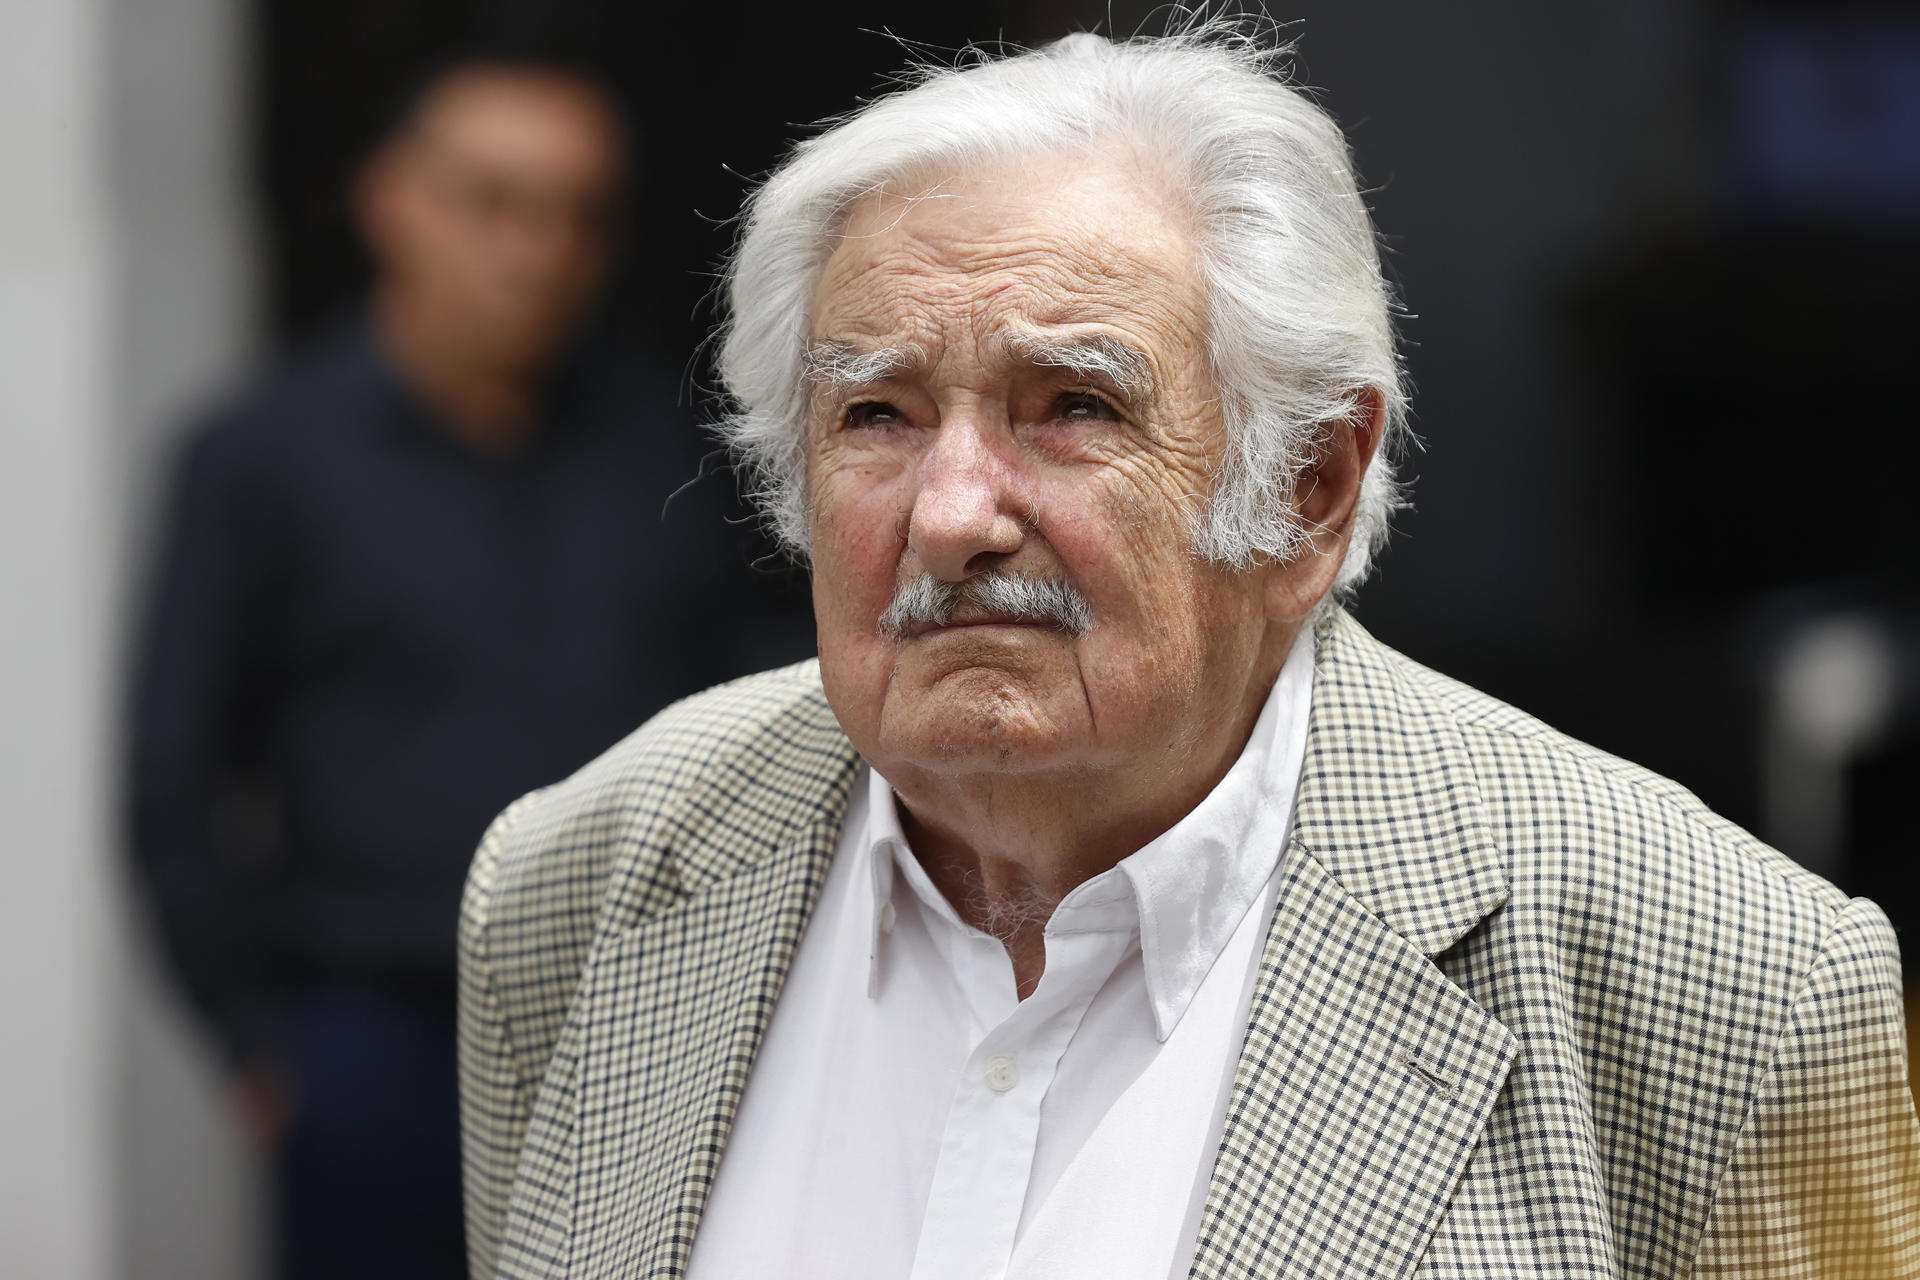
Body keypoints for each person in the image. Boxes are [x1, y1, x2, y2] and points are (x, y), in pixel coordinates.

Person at [455, 25, 1920, 1280]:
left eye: (1073, 407)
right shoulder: (578, 887)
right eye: (877, 414)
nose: (952, 516)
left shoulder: (1728, 985)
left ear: (1310, 489)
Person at [127, 55, 759, 1280]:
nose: (536, 251)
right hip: (376, 1032)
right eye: (493, 203)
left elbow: (750, 711)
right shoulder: (263, 457)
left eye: (578, 215)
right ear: (392, 198)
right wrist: (257, 1042)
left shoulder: (666, 451)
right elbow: (171, 770)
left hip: (634, 1018)